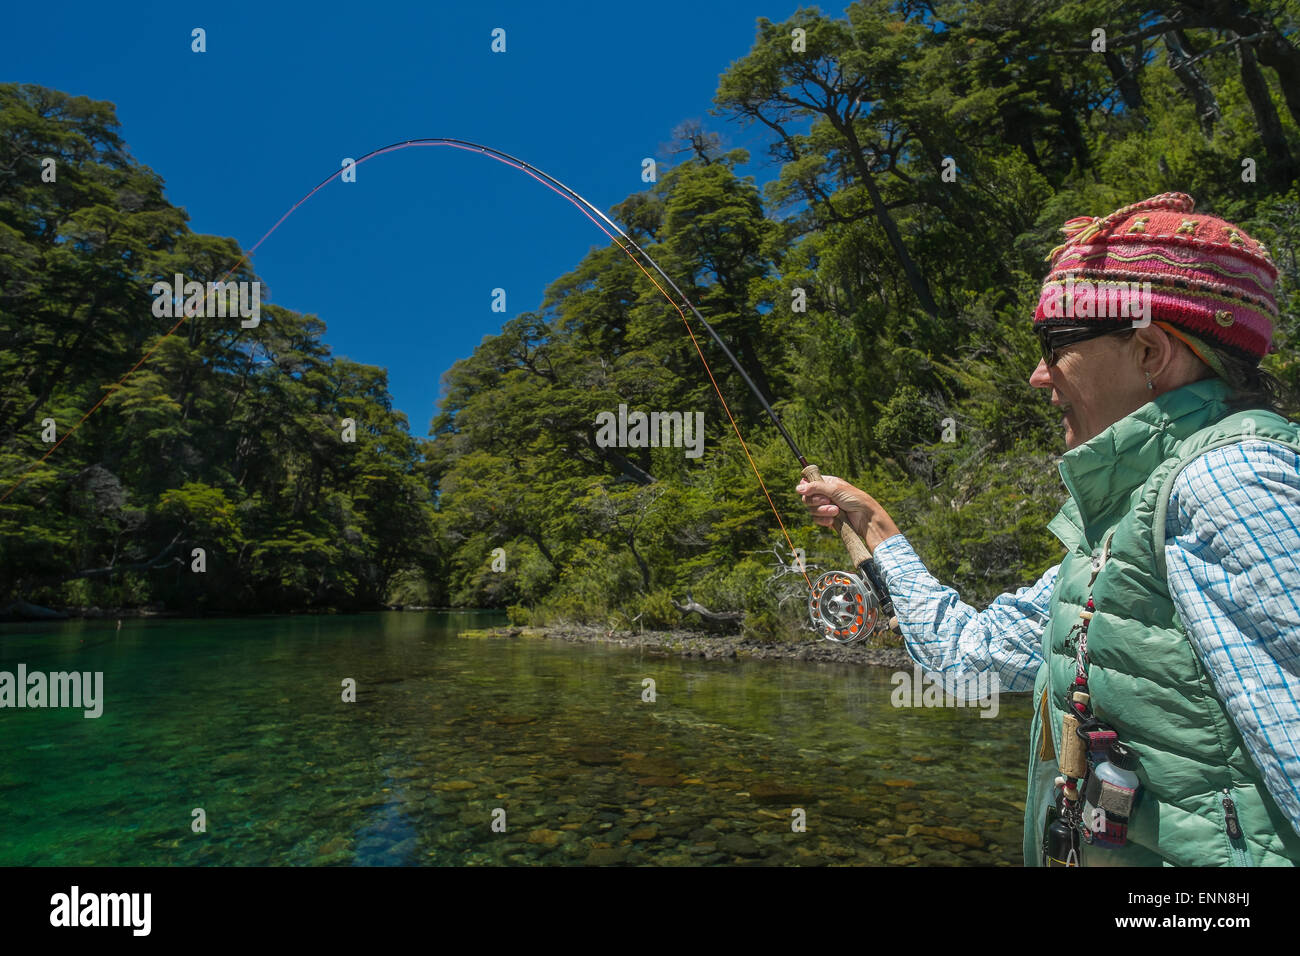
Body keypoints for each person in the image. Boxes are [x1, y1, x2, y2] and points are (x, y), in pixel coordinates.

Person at [797, 192, 1300, 866]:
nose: (1039, 377)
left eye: (1054, 345)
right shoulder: (1123, 523)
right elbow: (967, 658)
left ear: (1149, 350)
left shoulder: (1227, 484)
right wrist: (874, 523)